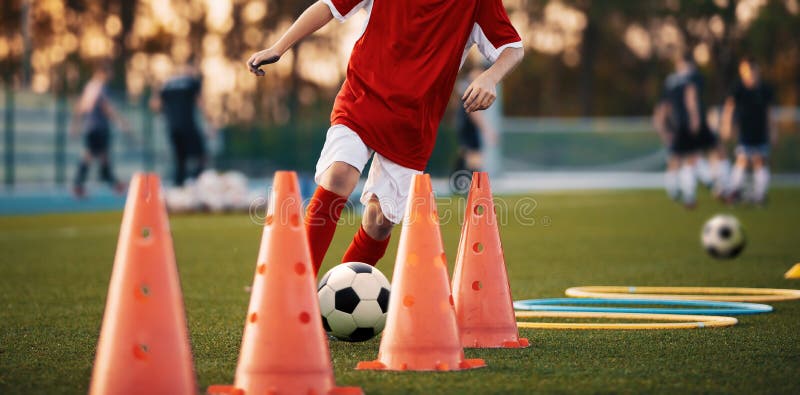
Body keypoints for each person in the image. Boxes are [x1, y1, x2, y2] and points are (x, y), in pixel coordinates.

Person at [247, 0, 523, 274]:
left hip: (414, 123)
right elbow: (328, 6)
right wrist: (278, 47)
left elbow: (513, 47)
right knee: (340, 173)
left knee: (380, 221)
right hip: (362, 98)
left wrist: (491, 76)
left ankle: (340, 291)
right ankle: (298, 289)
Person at [653, 51, 709, 208]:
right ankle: (690, 194)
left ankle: (674, 190)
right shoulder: (693, 78)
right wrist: (695, 119)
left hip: (675, 126)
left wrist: (661, 126)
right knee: (689, 158)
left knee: (677, 159)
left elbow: (662, 107)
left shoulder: (671, 80)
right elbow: (689, 101)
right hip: (685, 124)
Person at [720, 56, 776, 205]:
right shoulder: (738, 88)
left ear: (756, 70)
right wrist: (727, 125)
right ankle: (734, 191)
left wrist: (773, 130)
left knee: (760, 161)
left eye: (750, 69)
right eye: (744, 70)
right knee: (742, 160)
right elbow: (729, 107)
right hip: (744, 130)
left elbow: (769, 112)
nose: (748, 73)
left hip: (760, 130)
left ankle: (759, 195)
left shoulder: (765, 89)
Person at [70, 63, 130, 198]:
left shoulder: (89, 87)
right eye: (109, 73)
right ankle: (78, 185)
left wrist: (76, 125)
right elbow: (106, 107)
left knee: (101, 156)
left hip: (90, 126)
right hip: (98, 127)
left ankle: (113, 183)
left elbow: (79, 106)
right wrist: (122, 122)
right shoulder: (101, 87)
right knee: (91, 155)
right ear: (103, 73)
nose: (111, 76)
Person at [151, 59, 212, 186]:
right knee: (201, 156)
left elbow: (155, 106)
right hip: (188, 125)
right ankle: (196, 182)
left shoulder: (166, 84)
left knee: (180, 159)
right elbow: (201, 103)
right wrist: (210, 122)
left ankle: (179, 185)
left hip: (173, 127)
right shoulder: (192, 83)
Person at [453, 63, 498, 177]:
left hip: (463, 124)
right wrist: (487, 129)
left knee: (466, 154)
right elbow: (474, 112)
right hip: (468, 126)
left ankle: (459, 180)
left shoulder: (464, 85)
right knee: (474, 156)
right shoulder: (473, 86)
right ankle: (470, 185)